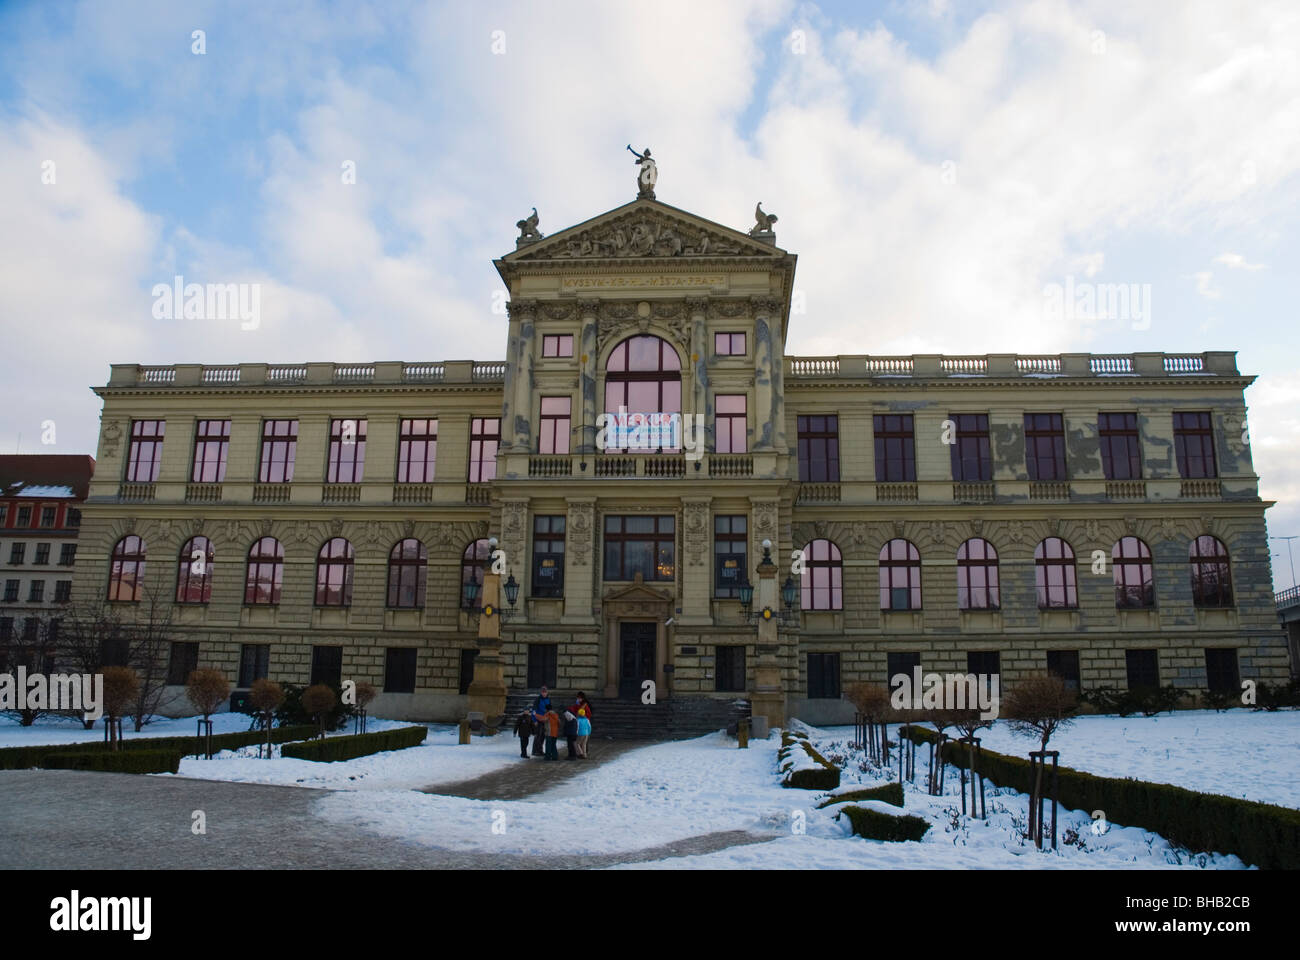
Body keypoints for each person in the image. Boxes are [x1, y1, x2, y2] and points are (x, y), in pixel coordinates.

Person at [531, 685, 551, 757]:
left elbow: (549, 710)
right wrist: (534, 720)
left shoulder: (548, 699)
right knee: (538, 735)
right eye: (543, 692)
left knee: (542, 736)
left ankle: (540, 750)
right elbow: (534, 710)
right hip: (538, 719)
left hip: (545, 720)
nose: (544, 693)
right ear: (541, 692)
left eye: (545, 692)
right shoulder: (538, 700)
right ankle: (535, 751)